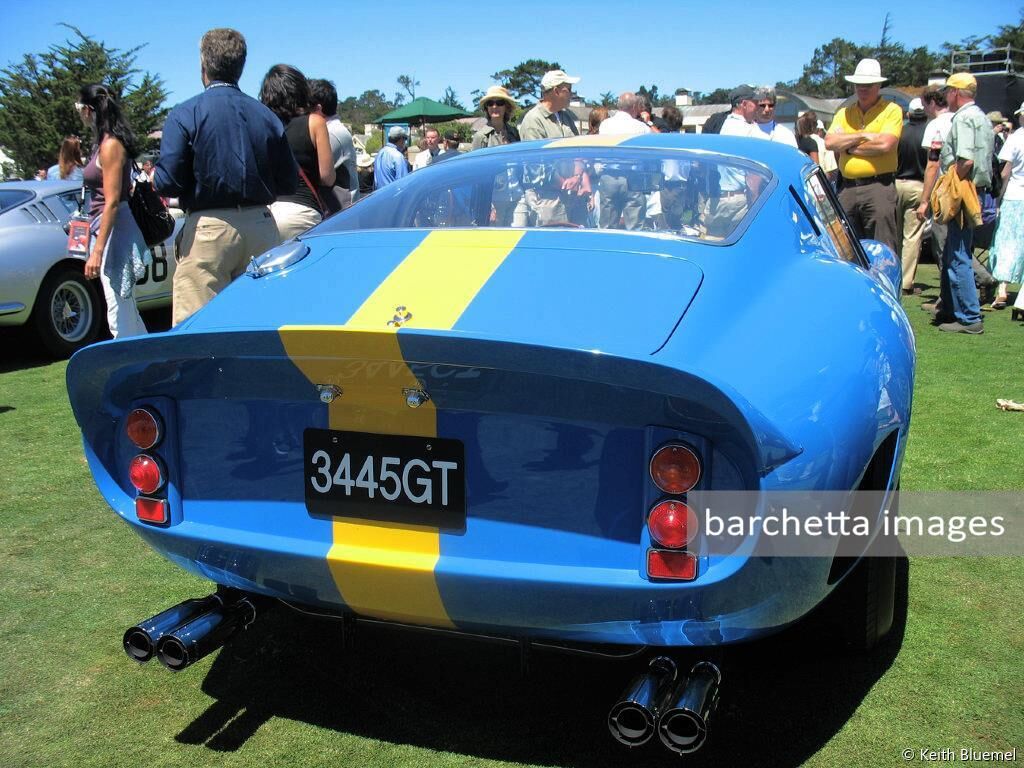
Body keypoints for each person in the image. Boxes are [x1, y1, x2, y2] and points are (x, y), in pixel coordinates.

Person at [155, 28, 297, 326]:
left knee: (197, 329)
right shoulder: (266, 116)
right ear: (240, 66)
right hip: (261, 226)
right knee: (262, 325)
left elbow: (167, 181)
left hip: (209, 228)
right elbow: (288, 182)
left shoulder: (185, 113)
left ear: (203, 64)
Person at [77, 83, 148, 338]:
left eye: (79, 107)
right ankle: (153, 367)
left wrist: (97, 252)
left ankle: (133, 373)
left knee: (119, 312)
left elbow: (112, 201)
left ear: (88, 110)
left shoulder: (110, 145)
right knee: (126, 310)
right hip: (109, 231)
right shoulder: (103, 143)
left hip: (117, 233)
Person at [933, 72, 994, 334]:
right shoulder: (981, 117)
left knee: (958, 252)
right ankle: (950, 307)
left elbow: (966, 160)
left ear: (956, 93)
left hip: (964, 189)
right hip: (975, 189)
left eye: (948, 91)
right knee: (954, 249)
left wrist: (950, 185)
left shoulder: (965, 118)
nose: (947, 96)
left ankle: (968, 316)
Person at [825, 58, 902, 253]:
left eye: (868, 85)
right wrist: (862, 136)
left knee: (882, 248)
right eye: (859, 85)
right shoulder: (844, 113)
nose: (862, 89)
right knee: (845, 249)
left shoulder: (891, 110)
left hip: (878, 188)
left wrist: (848, 147)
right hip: (847, 188)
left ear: (879, 85)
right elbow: (830, 142)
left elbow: (885, 144)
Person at [260, 64, 335, 239]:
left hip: (266, 214)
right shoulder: (315, 122)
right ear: (300, 90)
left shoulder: (261, 125)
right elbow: (327, 177)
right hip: (303, 212)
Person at [989, 101, 1024, 310]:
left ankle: (1002, 289)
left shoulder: (1016, 139)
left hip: (1013, 196)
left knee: (1006, 242)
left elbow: (1005, 172)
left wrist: (998, 198)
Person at [895, 98, 928, 295]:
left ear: (909, 113)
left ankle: (895, 277)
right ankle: (906, 282)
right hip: (919, 186)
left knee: (896, 236)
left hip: (897, 183)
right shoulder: (929, 132)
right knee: (912, 237)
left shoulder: (900, 132)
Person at [310, 78, 359, 207]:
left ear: (318, 109)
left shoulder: (331, 133)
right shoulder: (336, 130)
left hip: (341, 212)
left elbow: (317, 173)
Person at [519, 70, 581, 140]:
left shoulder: (566, 117)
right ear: (556, 91)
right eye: (569, 90)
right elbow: (535, 150)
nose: (571, 94)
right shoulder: (533, 120)